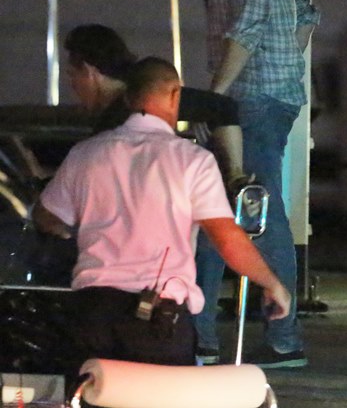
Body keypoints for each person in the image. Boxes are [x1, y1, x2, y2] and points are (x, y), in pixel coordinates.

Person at [154, 0, 320, 368]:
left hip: (251, 101)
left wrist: (218, 96)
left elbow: (247, 23)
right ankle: (203, 334)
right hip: (268, 95)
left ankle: (280, 339)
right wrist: (284, 65)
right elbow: (305, 14)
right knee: (225, 209)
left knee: (255, 211)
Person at [32, 56, 291, 369]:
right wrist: (271, 282)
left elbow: (46, 215)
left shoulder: (86, 154)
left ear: (128, 100)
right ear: (175, 94)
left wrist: (70, 230)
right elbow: (226, 238)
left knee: (93, 391)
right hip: (159, 321)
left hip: (94, 314)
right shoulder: (192, 161)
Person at [64, 24, 249, 195]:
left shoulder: (112, 124)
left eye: (72, 75)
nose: (71, 85)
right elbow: (222, 108)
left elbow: (220, 107)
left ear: (88, 71)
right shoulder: (144, 96)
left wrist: (235, 180)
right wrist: (235, 175)